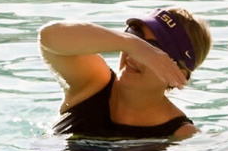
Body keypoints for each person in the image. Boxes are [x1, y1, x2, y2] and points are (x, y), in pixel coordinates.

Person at [39, 8, 213, 139]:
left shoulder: (181, 133)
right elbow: (48, 37)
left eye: (153, 48)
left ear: (177, 74)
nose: (137, 54)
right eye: (136, 36)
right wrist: (130, 44)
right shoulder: (92, 82)